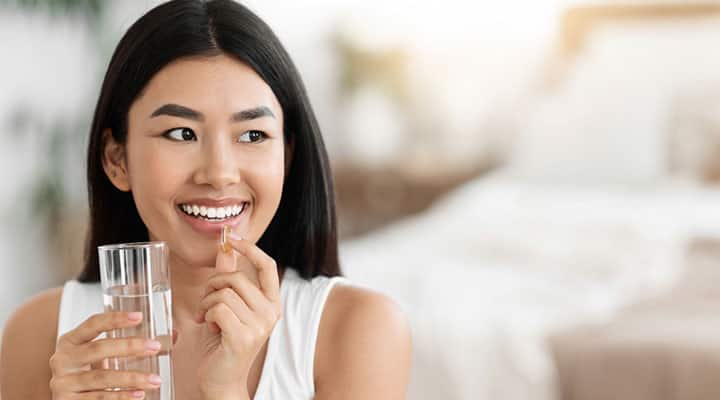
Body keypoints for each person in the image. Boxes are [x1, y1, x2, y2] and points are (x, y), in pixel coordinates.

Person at [0, 1, 412, 399]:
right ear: (116, 159)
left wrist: (226, 390)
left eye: (252, 135)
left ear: (286, 157)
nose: (218, 173)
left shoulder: (356, 331)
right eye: (181, 133)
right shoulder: (40, 335)